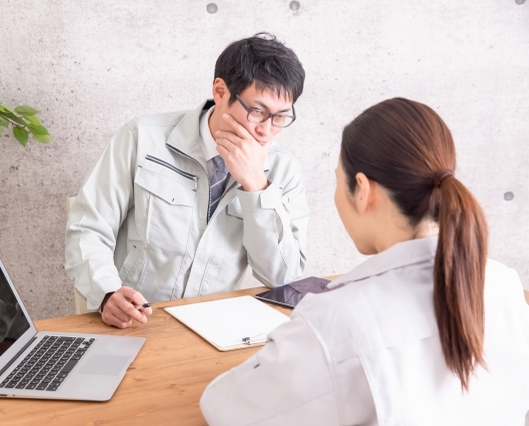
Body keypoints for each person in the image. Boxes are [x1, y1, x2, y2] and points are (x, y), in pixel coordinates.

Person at [200, 98, 529, 425]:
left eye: (337, 180)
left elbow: (224, 407)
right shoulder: (506, 285)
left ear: (363, 190)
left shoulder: (335, 322)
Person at [65, 33, 309, 328]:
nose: (266, 130)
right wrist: (106, 292)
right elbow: (88, 228)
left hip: (213, 329)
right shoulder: (142, 138)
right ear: (221, 91)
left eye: (280, 117)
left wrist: (256, 186)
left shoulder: (283, 171)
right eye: (257, 112)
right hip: (135, 323)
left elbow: (283, 279)